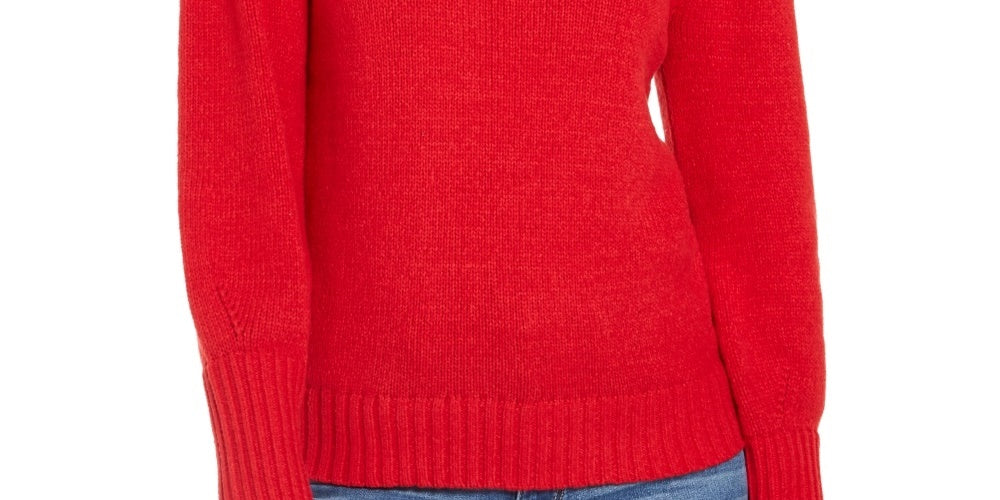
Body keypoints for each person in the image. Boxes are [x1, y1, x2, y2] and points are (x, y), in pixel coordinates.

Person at [176, 0, 826, 499]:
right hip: (366, 463)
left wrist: (784, 448)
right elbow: (241, 146)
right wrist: (256, 459)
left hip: (669, 458)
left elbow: (751, 147)